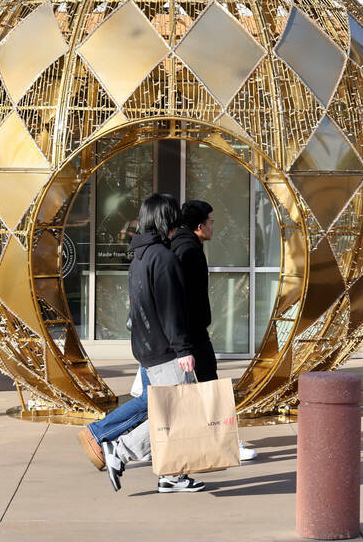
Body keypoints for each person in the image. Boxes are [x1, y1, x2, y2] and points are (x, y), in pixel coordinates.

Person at [97, 193, 206, 494]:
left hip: (148, 348)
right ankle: (120, 450)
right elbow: (171, 309)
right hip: (166, 351)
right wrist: (184, 350)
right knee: (175, 414)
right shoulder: (164, 259)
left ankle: (171, 476)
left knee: (170, 413)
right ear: (166, 219)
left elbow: (138, 307)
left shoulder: (140, 258)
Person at [171, 199, 257, 461]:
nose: (213, 226)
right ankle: (227, 442)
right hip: (190, 334)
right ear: (200, 226)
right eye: (211, 221)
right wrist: (184, 341)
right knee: (210, 387)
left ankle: (135, 443)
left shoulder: (181, 245)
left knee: (175, 392)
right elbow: (180, 298)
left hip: (184, 333)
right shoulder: (188, 251)